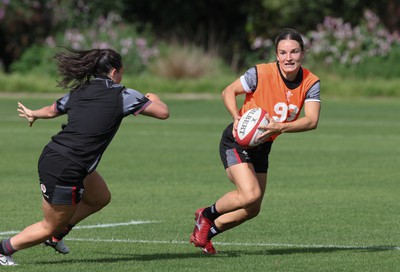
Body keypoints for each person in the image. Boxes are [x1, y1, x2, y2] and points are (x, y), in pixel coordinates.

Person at [0, 47, 169, 266]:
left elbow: (52, 110)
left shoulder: (80, 90)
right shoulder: (123, 94)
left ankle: (56, 237)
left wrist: (34, 114)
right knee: (49, 225)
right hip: (66, 165)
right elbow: (163, 112)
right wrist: (152, 97)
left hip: (64, 158)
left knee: (99, 198)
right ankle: (5, 249)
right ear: (115, 71)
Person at [190, 28, 321, 254]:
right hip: (237, 141)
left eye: (294, 52)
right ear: (276, 54)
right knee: (250, 194)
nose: (288, 58)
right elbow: (228, 92)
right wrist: (236, 116)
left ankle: (208, 234)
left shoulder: (310, 82)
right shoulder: (261, 73)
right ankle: (206, 215)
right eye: (283, 52)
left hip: (263, 145)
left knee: (252, 208)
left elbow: (311, 120)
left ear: (303, 53)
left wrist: (280, 127)